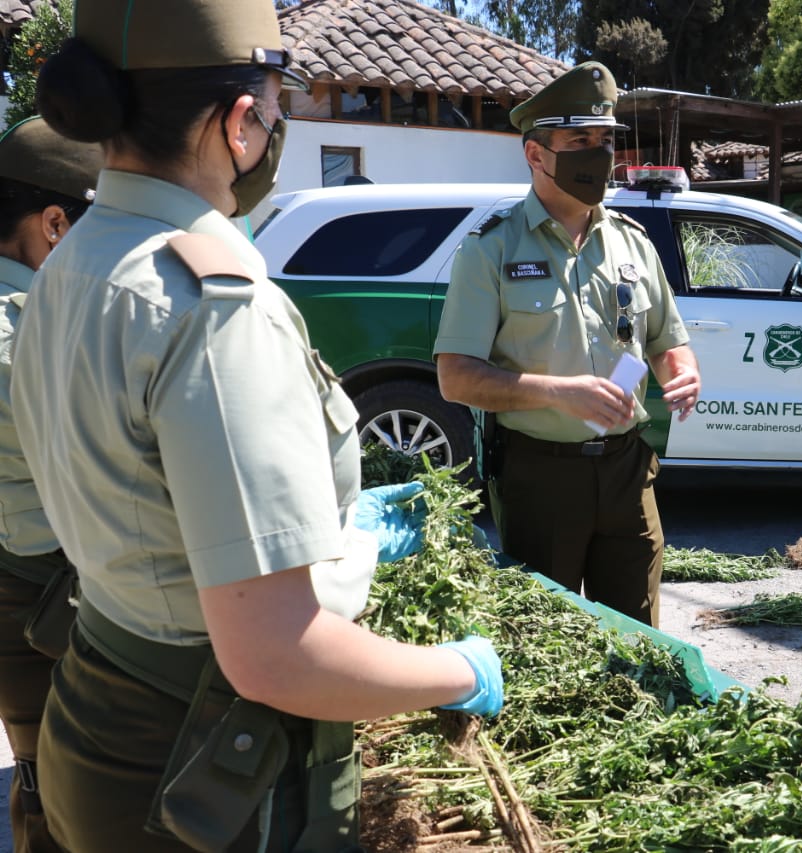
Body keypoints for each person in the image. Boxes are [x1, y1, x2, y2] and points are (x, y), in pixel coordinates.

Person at [12, 2, 503, 851]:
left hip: (101, 705)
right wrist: (458, 671)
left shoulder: (77, 258)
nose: (276, 128)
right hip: (203, 775)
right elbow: (275, 655)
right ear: (240, 124)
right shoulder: (213, 307)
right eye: (278, 105)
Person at [434, 62, 700, 629]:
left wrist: (682, 372)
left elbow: (666, 341)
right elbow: (456, 378)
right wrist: (558, 393)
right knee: (548, 637)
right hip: (540, 478)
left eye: (606, 140)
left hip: (629, 470)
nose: (599, 154)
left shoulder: (634, 242)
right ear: (536, 155)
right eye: (580, 140)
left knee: (639, 640)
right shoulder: (491, 251)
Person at [0, 116, 101, 853]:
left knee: (39, 780)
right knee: (66, 794)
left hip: (26, 593)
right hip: (42, 598)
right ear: (55, 223)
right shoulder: (28, 335)